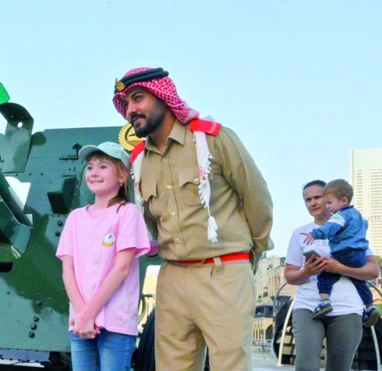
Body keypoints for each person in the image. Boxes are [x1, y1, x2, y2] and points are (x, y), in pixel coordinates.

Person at [112, 67, 273, 371]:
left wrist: (247, 258)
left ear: (161, 95)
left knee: (230, 365)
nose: (132, 109)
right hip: (172, 276)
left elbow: (257, 199)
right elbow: (148, 224)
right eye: (126, 104)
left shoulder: (212, 139)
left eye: (138, 98)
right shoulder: (138, 162)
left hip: (223, 271)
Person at [56, 142, 151, 371]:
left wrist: (88, 314)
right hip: (80, 323)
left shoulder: (128, 213)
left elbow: (122, 268)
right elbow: (68, 270)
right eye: (90, 167)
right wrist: (82, 316)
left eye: (103, 166)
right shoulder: (75, 218)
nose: (94, 172)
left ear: (122, 175)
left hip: (115, 324)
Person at [284, 180, 381, 371]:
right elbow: (289, 275)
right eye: (308, 199)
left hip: (347, 309)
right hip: (309, 306)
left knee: (339, 367)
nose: (313, 203)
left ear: (334, 199)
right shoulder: (300, 234)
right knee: (305, 367)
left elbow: (373, 271)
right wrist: (307, 271)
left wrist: (339, 268)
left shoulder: (353, 229)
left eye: (318, 197)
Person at [301, 179, 380, 326]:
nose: (327, 206)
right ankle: (369, 306)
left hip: (344, 253)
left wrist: (315, 234)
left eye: (329, 203)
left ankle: (324, 302)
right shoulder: (357, 215)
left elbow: (329, 228)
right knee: (359, 280)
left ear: (343, 201)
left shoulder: (339, 216)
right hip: (359, 255)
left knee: (325, 275)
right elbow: (364, 226)